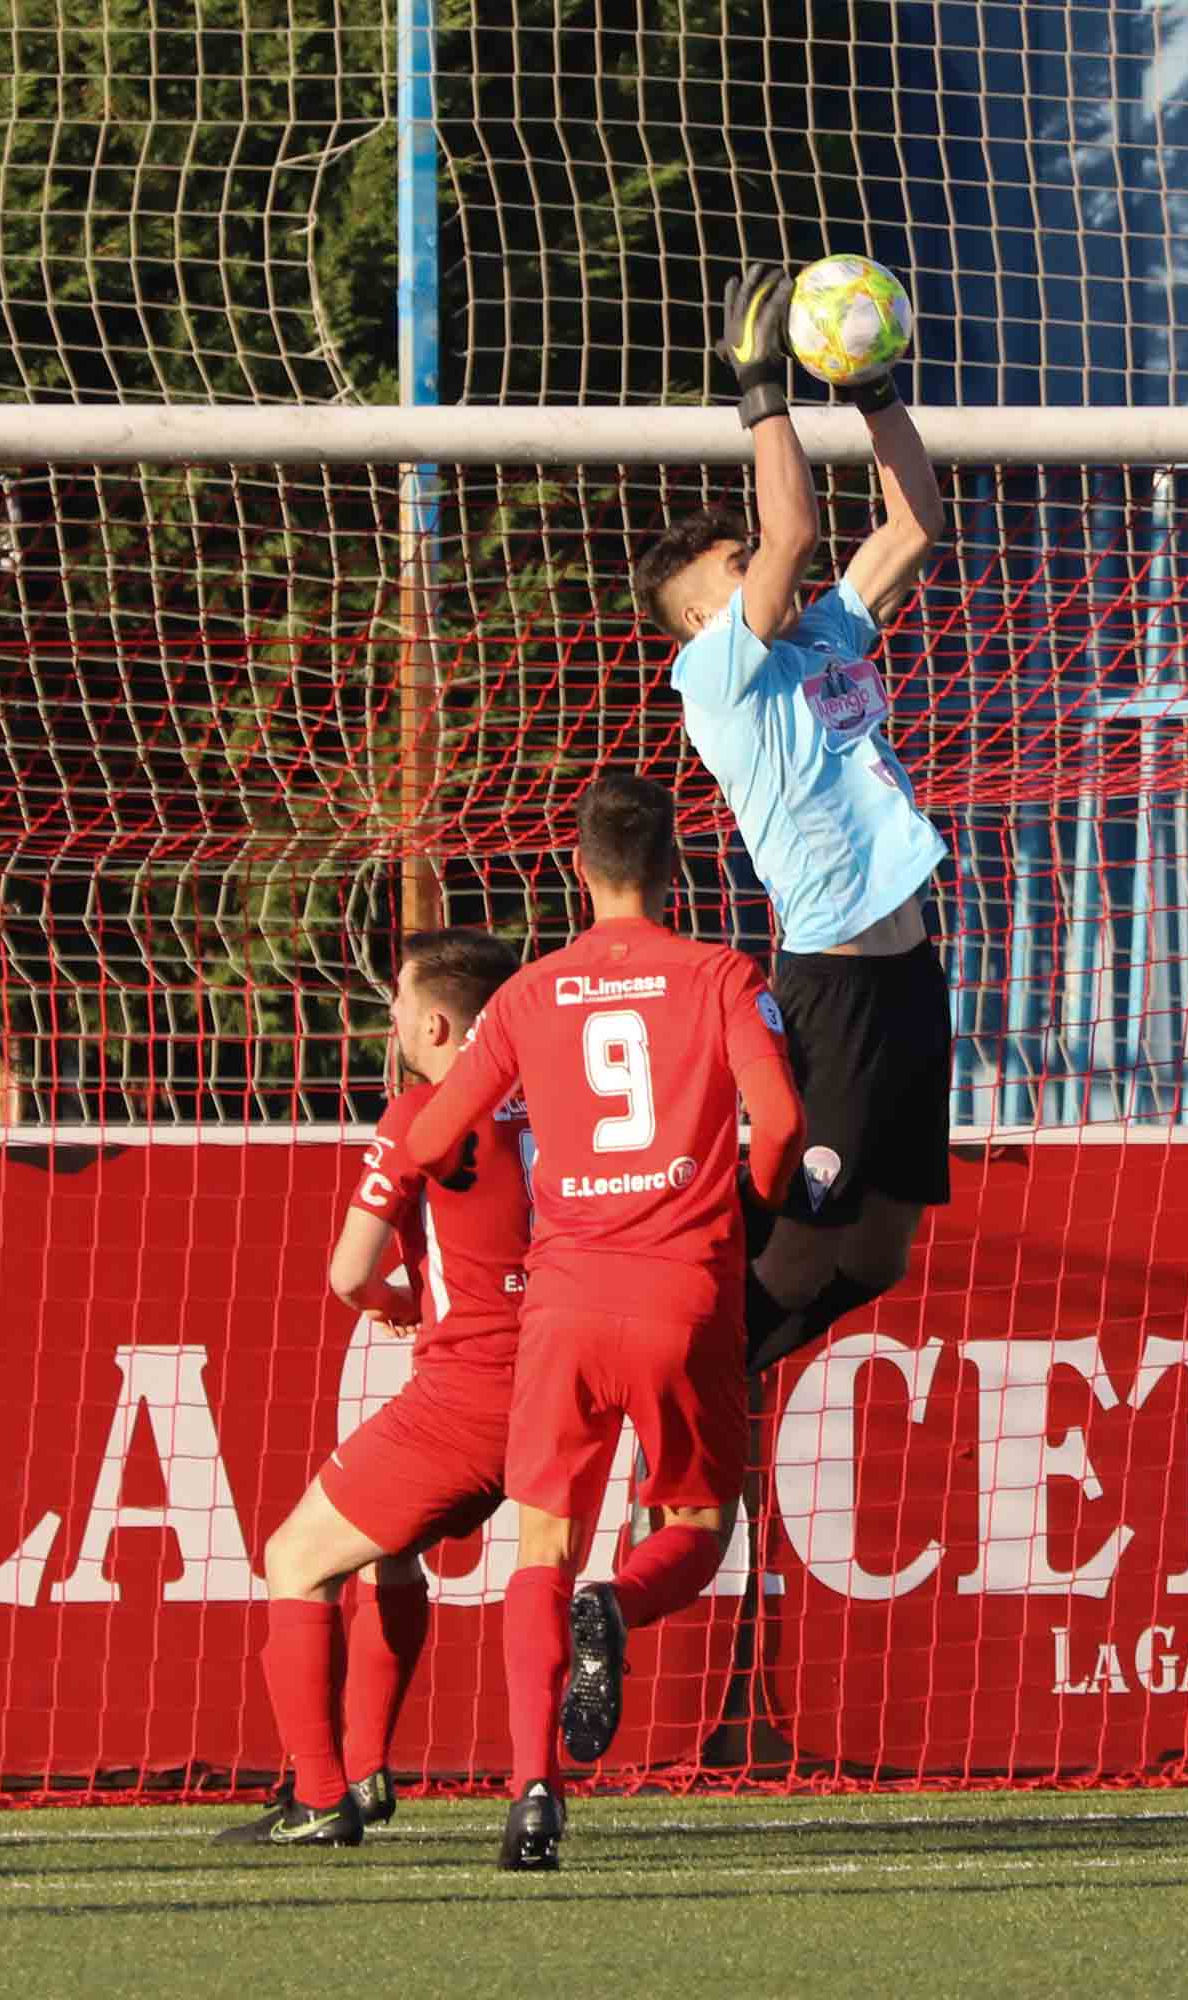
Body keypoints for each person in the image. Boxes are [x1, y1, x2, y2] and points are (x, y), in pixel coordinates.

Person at [383, 773, 803, 1870]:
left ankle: (531, 1791)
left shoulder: (526, 994)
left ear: (577, 866)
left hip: (563, 1301)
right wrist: (751, 1199)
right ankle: (617, 1604)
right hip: (683, 1289)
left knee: (539, 1548)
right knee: (702, 1527)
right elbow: (784, 1119)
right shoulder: (721, 973)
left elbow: (432, 1138)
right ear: (678, 865)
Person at [628, 260, 949, 1375]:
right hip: (839, 985)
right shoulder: (716, 677)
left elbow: (913, 523)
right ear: (710, 613)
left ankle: (728, 1377)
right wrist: (761, 392)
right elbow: (797, 534)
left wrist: (874, 391)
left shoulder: (820, 641)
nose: (770, 566)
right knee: (804, 1252)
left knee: (885, 1253)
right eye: (743, 565)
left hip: (910, 974)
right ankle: (691, 1391)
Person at [222, 927, 529, 1847]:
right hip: (563, 1384)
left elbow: (348, 1273)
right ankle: (365, 1773)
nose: (389, 1017)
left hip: (470, 1390)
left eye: (395, 1001)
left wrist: (392, 1298)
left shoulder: (422, 1113)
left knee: (293, 1559)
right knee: (389, 1552)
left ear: (436, 1023)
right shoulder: (564, 1102)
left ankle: (318, 1798)